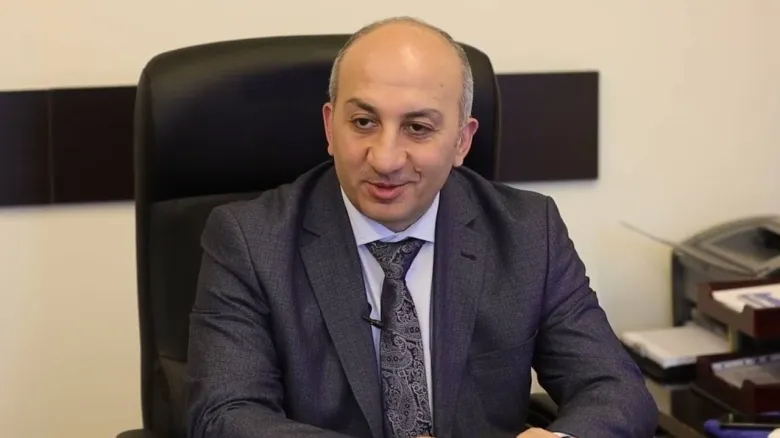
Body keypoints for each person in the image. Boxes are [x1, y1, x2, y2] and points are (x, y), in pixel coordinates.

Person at [185, 16, 658, 438]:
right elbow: (224, 414)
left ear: (462, 141)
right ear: (330, 127)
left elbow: (615, 390)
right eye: (363, 121)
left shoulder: (528, 232)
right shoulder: (249, 240)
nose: (385, 159)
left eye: (418, 128)